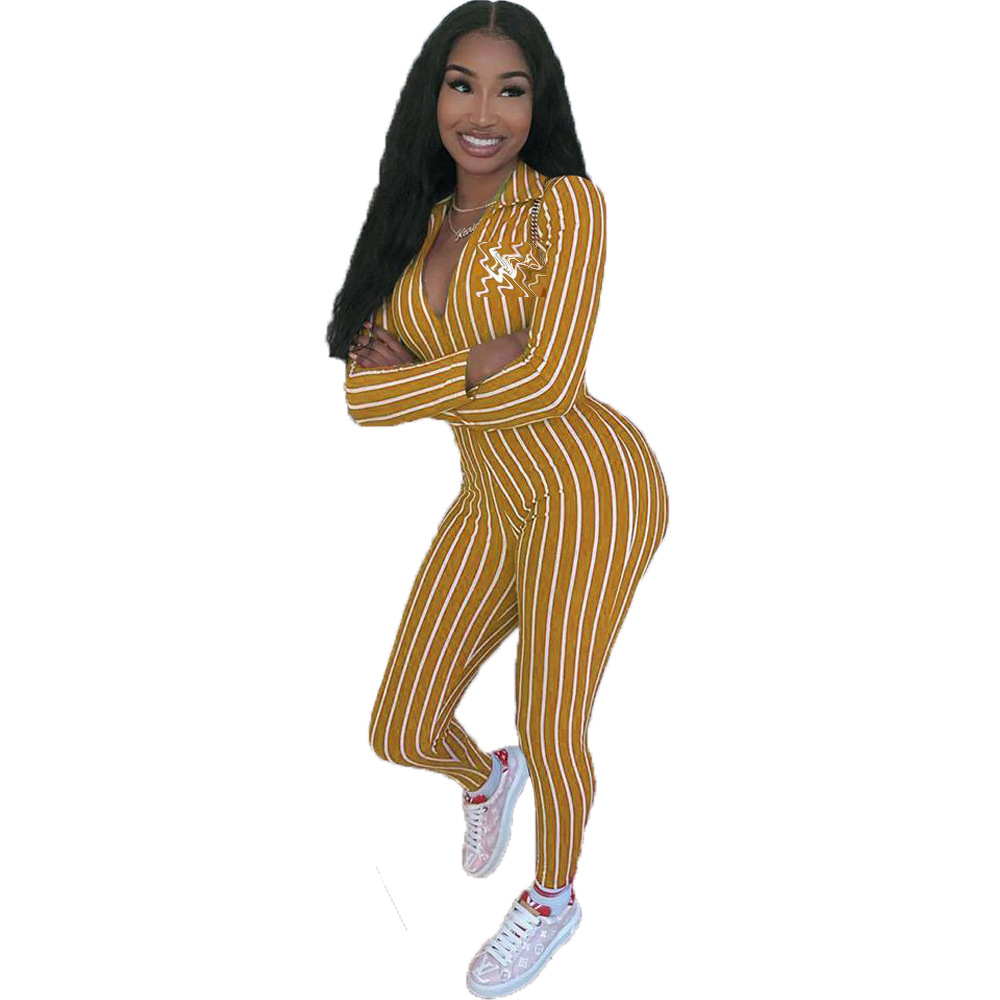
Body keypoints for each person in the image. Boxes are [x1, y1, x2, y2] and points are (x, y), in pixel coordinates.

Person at [327, 3, 669, 994]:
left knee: (551, 717)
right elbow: (360, 401)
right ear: (431, 96)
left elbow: (549, 382)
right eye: (462, 85)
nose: (484, 113)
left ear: (538, 103)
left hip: (590, 488)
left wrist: (423, 379)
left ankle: (552, 898)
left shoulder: (566, 208)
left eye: (510, 90)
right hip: (489, 496)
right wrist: (473, 365)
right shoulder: (414, 224)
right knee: (399, 725)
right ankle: (488, 776)